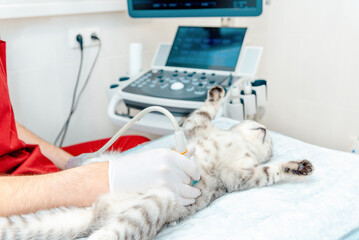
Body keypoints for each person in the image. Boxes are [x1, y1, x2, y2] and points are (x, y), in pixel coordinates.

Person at [0, 40, 200, 217]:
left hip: (20, 161)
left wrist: (71, 162)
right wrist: (100, 180)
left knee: (136, 143)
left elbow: (6, 123)